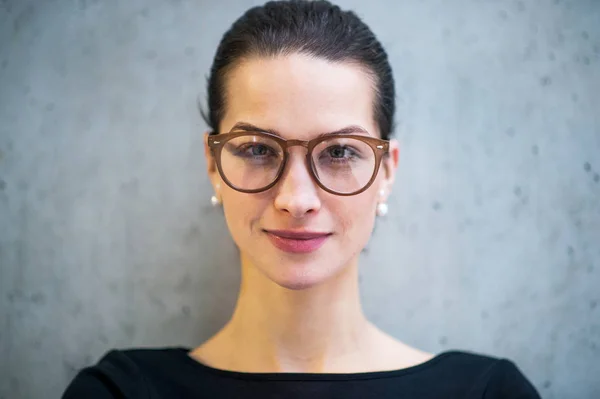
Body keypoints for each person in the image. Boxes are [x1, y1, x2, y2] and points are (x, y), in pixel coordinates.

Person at [63, 1, 541, 397]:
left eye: (338, 152)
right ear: (213, 166)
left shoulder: (487, 392)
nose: (296, 199)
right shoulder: (120, 392)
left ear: (387, 171)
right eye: (257, 149)